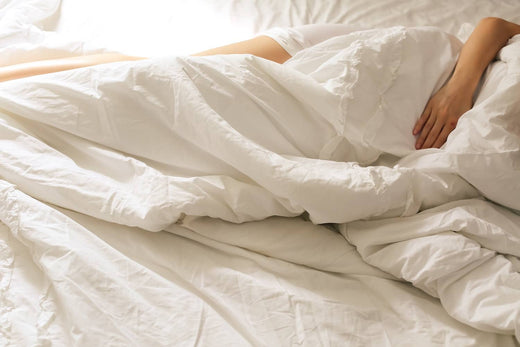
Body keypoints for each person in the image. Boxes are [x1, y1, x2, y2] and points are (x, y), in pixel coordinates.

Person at [0, 17, 519, 150]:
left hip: (387, 111)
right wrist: (458, 91)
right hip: (394, 63)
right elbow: (495, 26)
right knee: (161, 69)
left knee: (159, 79)